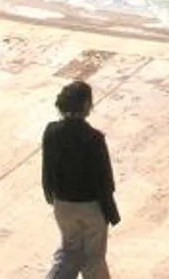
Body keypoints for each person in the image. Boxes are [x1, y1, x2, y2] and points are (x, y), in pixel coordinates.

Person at [40, 80, 118, 279]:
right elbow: (105, 180)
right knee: (94, 258)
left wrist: (51, 195)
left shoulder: (51, 131)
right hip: (91, 207)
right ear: (85, 106)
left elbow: (47, 168)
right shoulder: (94, 138)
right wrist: (110, 211)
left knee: (68, 252)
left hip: (63, 205)